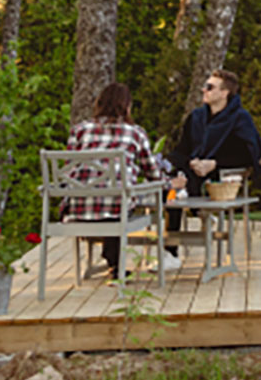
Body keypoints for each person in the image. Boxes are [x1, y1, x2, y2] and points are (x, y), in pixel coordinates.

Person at [66, 82, 184, 278]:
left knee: (112, 198)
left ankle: (114, 263)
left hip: (78, 207)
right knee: (119, 201)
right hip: (115, 208)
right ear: (127, 106)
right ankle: (117, 265)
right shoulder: (135, 132)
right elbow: (152, 174)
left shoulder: (79, 130)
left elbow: (69, 169)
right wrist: (171, 184)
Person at [165, 69, 261, 245]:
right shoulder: (196, 117)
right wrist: (192, 162)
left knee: (187, 183)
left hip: (222, 174)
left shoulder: (240, 118)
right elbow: (180, 150)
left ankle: (200, 216)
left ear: (224, 92)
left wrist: (214, 164)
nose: (204, 90)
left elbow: (249, 154)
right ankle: (170, 250)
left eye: (210, 87)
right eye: (205, 86)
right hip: (193, 170)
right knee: (174, 183)